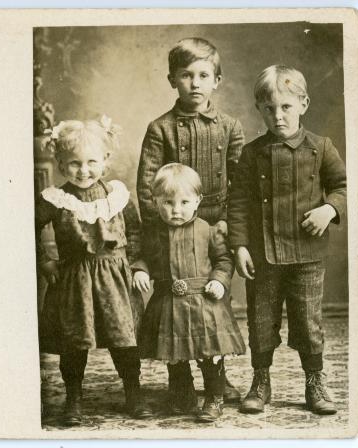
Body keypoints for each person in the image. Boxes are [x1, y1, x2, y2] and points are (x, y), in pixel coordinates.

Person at [228, 65, 346, 416]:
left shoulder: (321, 148)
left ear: (304, 104)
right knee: (261, 321)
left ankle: (315, 381)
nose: (277, 116)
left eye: (286, 107)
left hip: (307, 254)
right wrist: (240, 246)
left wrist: (329, 209)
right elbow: (237, 203)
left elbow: (343, 187)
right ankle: (260, 381)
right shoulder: (252, 153)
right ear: (259, 109)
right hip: (264, 255)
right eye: (269, 108)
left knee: (308, 321)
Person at [136, 37, 244, 413]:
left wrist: (232, 223)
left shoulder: (229, 127)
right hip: (171, 223)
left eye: (203, 75)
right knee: (174, 309)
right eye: (186, 75)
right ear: (172, 80)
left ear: (217, 79)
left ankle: (217, 375)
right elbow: (148, 185)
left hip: (216, 225)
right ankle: (179, 382)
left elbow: (241, 181)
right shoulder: (160, 128)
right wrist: (159, 230)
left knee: (215, 302)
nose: (195, 83)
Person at [36, 117, 150, 425]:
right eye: (73, 163)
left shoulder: (117, 196)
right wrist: (46, 261)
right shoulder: (56, 200)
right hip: (76, 279)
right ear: (60, 163)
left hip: (114, 276)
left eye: (91, 162)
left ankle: (133, 391)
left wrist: (139, 266)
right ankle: (73, 397)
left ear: (106, 161)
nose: (83, 170)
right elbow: (27, 229)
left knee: (124, 338)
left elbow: (137, 234)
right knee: (75, 341)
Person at [134, 163, 246, 422]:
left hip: (204, 303)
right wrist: (140, 270)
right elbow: (144, 257)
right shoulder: (154, 233)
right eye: (167, 202)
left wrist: (219, 280)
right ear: (155, 202)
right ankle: (181, 392)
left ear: (197, 201)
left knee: (209, 352)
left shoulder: (208, 230)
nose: (176, 210)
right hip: (168, 302)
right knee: (175, 353)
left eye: (184, 202)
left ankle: (214, 396)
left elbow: (224, 261)